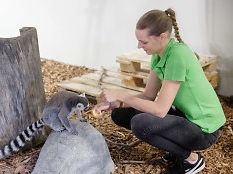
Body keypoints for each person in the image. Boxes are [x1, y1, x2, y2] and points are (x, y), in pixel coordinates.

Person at [93, 8, 226, 174]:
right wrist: (117, 103)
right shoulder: (159, 53)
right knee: (121, 113)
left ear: (162, 36)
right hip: (186, 117)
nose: (139, 46)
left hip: (205, 130)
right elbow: (148, 95)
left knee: (140, 124)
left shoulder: (178, 55)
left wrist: (121, 94)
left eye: (144, 42)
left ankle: (191, 160)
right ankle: (175, 146)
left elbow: (160, 110)